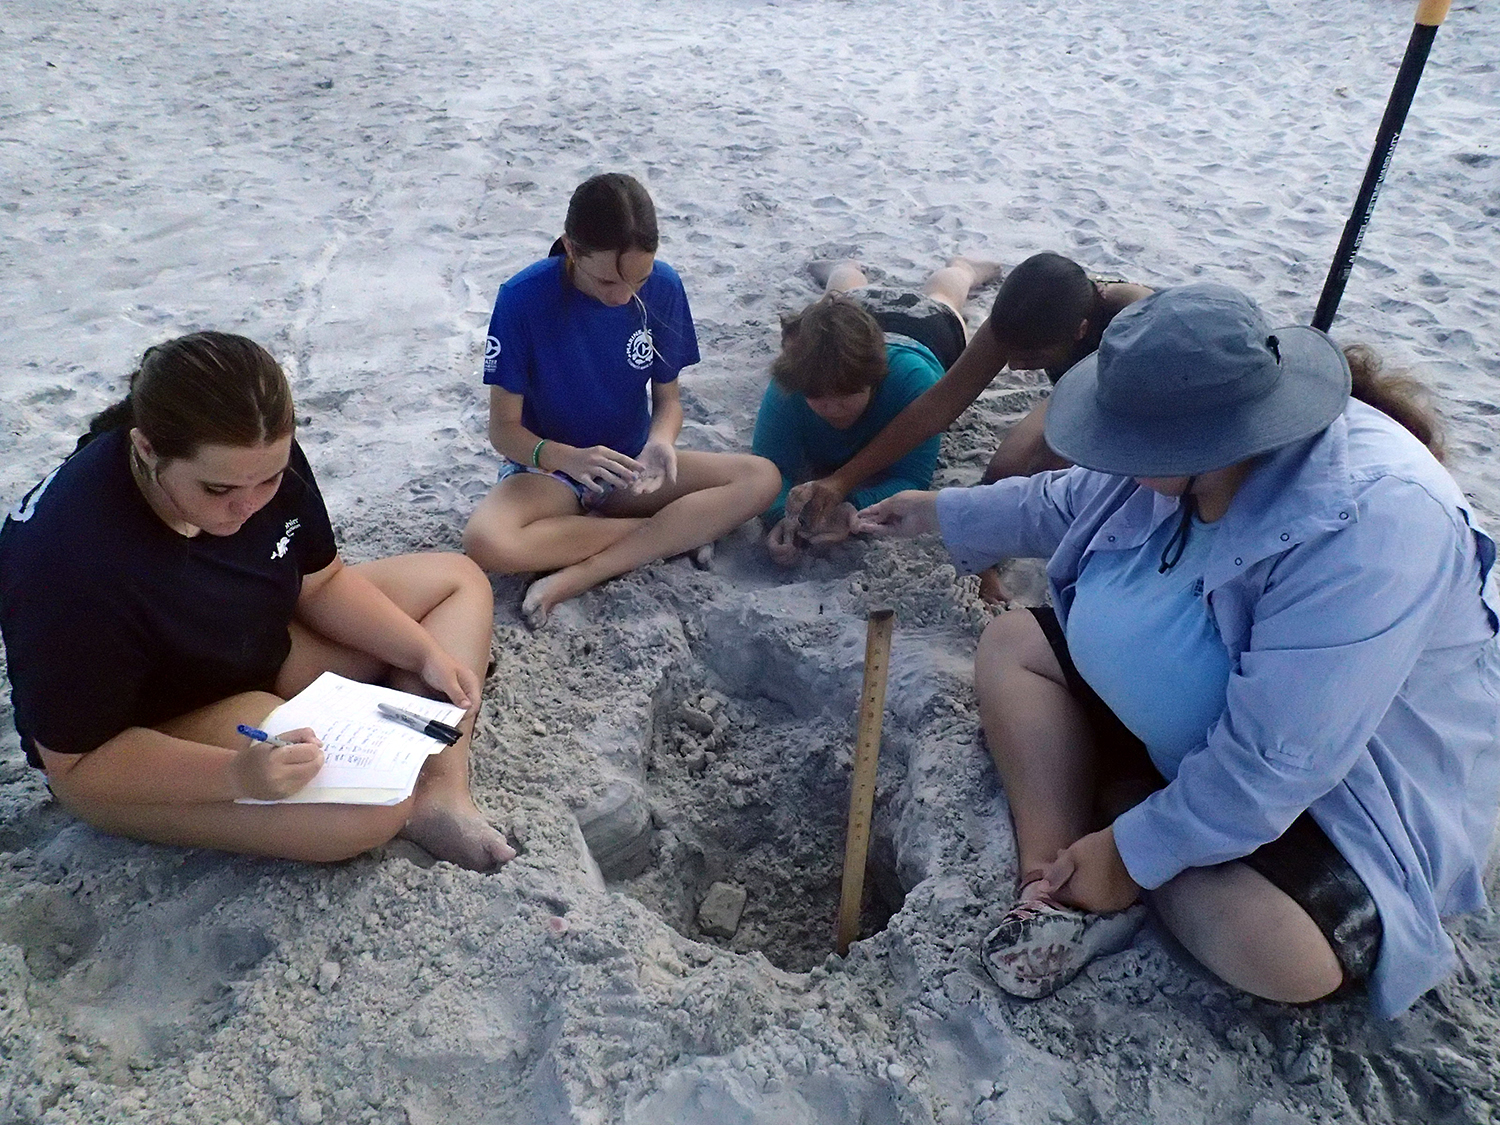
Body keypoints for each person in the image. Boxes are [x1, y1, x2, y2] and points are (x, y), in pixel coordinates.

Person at [856, 283, 1500, 1017]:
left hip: (1338, 789)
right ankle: (1051, 879)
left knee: (1283, 954)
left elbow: (1277, 760)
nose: (1113, 458)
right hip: (1179, 714)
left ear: (1205, 442)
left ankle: (1119, 818)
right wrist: (932, 513)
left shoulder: (1374, 522)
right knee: (1012, 644)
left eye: (1125, 445)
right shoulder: (1183, 446)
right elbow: (1064, 500)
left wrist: (1131, 851)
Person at [0, 333, 515, 870]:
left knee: (457, 581)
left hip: (257, 640)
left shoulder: (256, 449)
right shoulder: (68, 561)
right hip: (150, 729)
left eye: (269, 479)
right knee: (365, 813)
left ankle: (443, 793)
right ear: (147, 448)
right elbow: (74, 763)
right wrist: (236, 777)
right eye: (218, 491)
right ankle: (397, 784)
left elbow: (322, 582)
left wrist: (421, 654)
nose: (246, 507)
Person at [462, 173, 781, 625]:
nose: (625, 295)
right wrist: (566, 458)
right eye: (609, 281)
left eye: (639, 279)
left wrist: (661, 442)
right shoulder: (522, 299)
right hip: (550, 471)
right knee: (484, 542)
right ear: (571, 249)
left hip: (633, 465)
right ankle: (672, 535)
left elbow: (668, 402)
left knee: (762, 478)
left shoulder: (663, 286)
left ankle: (585, 570)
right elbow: (504, 430)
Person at [787, 251, 1150, 533]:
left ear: (1081, 331)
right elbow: (936, 408)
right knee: (1005, 472)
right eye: (1008, 353)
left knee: (1058, 465)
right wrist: (840, 481)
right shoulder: (1020, 320)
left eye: (1031, 358)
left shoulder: (1138, 323)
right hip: (1078, 382)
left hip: (1137, 391)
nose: (1015, 368)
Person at [752, 256, 1001, 564]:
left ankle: (963, 269)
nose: (831, 406)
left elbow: (911, 476)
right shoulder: (792, 386)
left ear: (874, 382)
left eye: (845, 395)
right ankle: (844, 268)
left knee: (943, 298)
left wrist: (852, 505)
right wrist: (783, 517)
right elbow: (767, 469)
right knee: (840, 301)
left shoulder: (912, 383)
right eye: (816, 396)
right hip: (852, 322)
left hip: (923, 330)